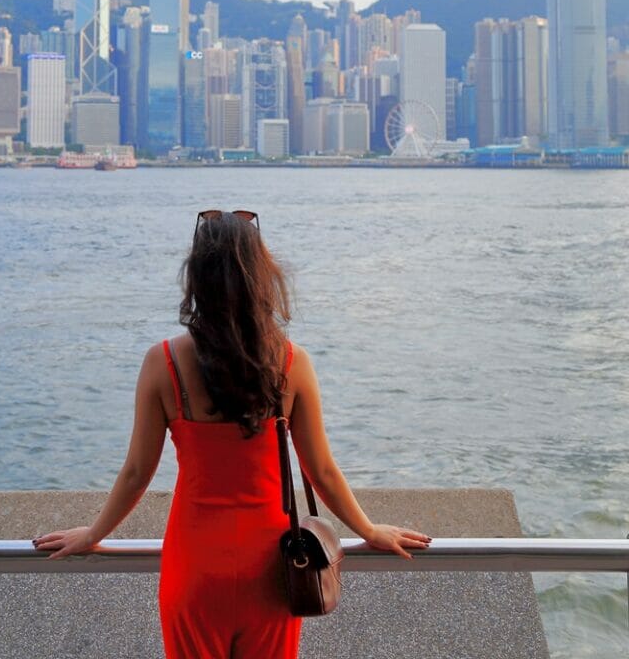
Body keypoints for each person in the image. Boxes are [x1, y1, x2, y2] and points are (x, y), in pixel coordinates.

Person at [33, 209, 431, 658]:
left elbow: (137, 472)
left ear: (196, 279)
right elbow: (320, 469)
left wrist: (93, 533)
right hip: (274, 569)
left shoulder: (163, 364)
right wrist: (369, 528)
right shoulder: (291, 364)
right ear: (263, 279)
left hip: (195, 568)